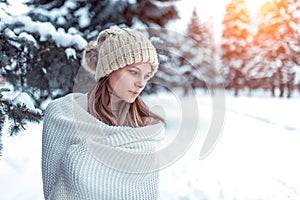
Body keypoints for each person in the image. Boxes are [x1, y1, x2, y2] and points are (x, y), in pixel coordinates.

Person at [42, 27, 165, 200]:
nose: (141, 83)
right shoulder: (62, 115)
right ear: (109, 69)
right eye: (133, 72)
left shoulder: (147, 130)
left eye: (147, 76)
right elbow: (52, 186)